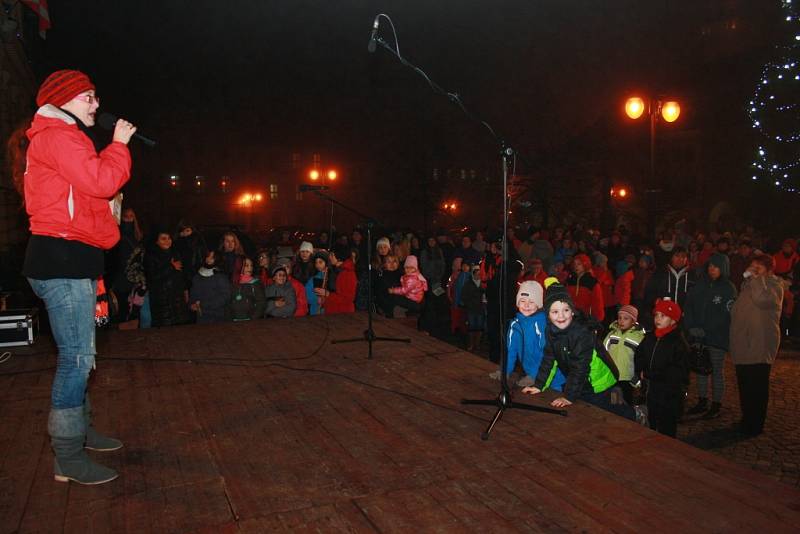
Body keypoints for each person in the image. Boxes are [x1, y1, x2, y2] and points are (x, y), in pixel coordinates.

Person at [22, 70, 137, 485]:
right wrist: (120, 146)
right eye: (88, 97)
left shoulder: (66, 137)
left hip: (75, 259)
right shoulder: (58, 136)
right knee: (75, 359)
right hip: (62, 261)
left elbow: (91, 199)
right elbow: (101, 180)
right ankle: (66, 458)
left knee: (82, 355)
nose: (96, 105)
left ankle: (81, 433)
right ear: (65, 99)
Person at [521, 281, 623, 417]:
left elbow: (580, 367)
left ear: (573, 312)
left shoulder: (581, 333)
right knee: (583, 411)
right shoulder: (551, 331)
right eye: (555, 311)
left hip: (599, 381)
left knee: (604, 414)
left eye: (566, 310)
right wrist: (539, 385)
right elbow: (549, 359)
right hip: (583, 381)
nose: (561, 316)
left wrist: (568, 397)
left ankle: (634, 413)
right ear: (548, 315)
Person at [729, 254, 784, 436]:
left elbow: (762, 300)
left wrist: (757, 279)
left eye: (758, 268)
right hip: (744, 344)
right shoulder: (748, 286)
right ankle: (747, 419)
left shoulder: (774, 286)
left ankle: (755, 424)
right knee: (745, 385)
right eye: (752, 267)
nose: (753, 271)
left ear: (768, 270)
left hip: (759, 345)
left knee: (757, 387)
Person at [684, 253, 738, 419]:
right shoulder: (701, 285)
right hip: (698, 336)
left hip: (717, 337)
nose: (712, 269)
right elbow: (689, 306)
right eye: (710, 266)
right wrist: (692, 326)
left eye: (716, 266)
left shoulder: (728, 288)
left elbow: (726, 315)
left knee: (716, 370)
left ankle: (716, 404)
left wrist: (707, 329)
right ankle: (702, 400)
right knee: (701, 368)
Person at [634, 299, 691, 438]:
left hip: (669, 392)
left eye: (663, 316)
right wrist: (640, 369)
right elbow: (640, 353)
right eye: (656, 315)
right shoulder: (651, 337)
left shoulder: (678, 343)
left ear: (673, 321)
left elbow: (675, 371)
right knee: (651, 418)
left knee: (667, 424)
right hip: (651, 388)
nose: (658, 319)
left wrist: (650, 374)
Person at [501, 281, 566, 390]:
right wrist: (505, 371)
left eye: (531, 302)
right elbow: (511, 349)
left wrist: (536, 376)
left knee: (552, 401)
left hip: (552, 378)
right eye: (522, 301)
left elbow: (547, 354)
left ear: (538, 304)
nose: (526, 305)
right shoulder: (515, 324)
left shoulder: (542, 324)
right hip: (531, 374)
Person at [145, 230, 191, 327]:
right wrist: (170, 267)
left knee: (179, 327)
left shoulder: (175, 253)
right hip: (161, 299)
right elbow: (152, 278)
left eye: (169, 238)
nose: (167, 241)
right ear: (156, 241)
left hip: (177, 297)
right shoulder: (151, 255)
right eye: (163, 239)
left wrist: (185, 289)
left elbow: (181, 274)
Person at [603, 305, 645, 405]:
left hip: (627, 377)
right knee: (611, 400)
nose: (621, 321)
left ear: (633, 321)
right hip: (611, 375)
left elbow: (641, 359)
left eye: (626, 318)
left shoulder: (638, 337)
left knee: (626, 400)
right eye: (620, 318)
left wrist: (637, 380)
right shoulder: (612, 334)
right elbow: (603, 352)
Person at [189, 250, 232, 324]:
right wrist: (192, 304)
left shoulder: (221, 276)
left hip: (217, 317)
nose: (209, 259)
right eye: (208, 256)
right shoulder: (197, 276)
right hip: (201, 317)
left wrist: (204, 304)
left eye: (212, 257)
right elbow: (193, 293)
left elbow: (225, 296)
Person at [317, 246, 357, 314]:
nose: (330, 257)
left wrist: (327, 294)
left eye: (332, 255)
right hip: (331, 310)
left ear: (339, 257)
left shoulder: (348, 273)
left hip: (342, 312)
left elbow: (348, 299)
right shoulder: (332, 270)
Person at [565, 253, 605, 322]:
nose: (576, 266)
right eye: (575, 264)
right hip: (571, 316)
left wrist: (598, 318)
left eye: (579, 264)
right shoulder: (570, 280)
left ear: (585, 265)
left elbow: (597, 301)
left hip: (586, 317)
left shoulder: (591, 281)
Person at [460, 263, 486, 352]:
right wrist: (468, 304)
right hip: (471, 309)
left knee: (479, 327)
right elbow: (463, 296)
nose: (479, 275)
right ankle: (471, 344)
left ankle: (477, 344)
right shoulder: (468, 284)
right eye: (477, 274)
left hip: (480, 308)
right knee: (471, 326)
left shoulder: (483, 284)